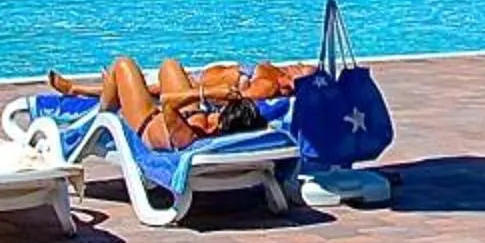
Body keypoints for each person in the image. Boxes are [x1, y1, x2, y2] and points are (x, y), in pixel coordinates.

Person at [46, 56, 310, 151]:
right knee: (170, 65)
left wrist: (207, 93)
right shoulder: (214, 127)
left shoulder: (190, 137)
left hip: (148, 120)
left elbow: (167, 103)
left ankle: (104, 107)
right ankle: (103, 91)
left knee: (123, 65)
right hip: (187, 111)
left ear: (223, 120)